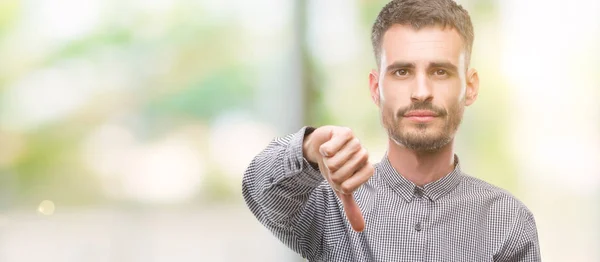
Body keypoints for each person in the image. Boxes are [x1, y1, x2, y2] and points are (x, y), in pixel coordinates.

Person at [242, 0, 541, 261]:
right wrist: (309, 148)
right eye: (402, 72)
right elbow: (258, 191)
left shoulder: (509, 221)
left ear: (470, 87)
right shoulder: (330, 203)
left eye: (440, 71)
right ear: (376, 88)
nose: (421, 92)